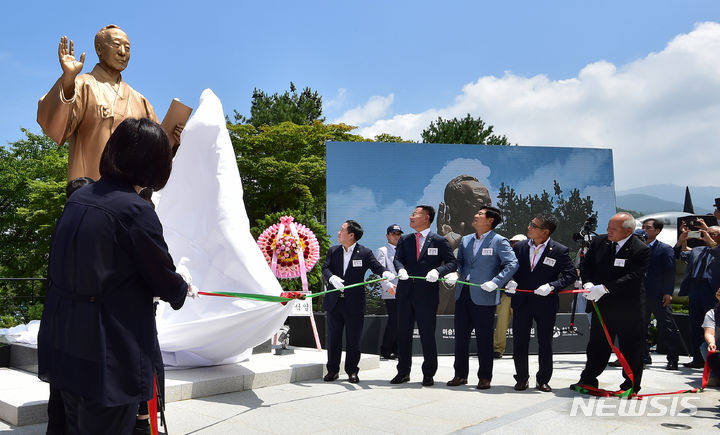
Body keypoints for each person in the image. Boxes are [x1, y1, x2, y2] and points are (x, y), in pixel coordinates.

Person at [37, 118, 196, 434]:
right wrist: (182, 287)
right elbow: (162, 276)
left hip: (65, 339)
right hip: (106, 349)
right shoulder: (134, 210)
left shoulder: (80, 199)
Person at [37, 25, 182, 185]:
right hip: (90, 193)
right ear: (99, 49)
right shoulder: (83, 85)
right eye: (116, 45)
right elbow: (54, 125)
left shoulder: (140, 100)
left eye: (127, 48)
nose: (123, 52)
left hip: (131, 197)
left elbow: (155, 151)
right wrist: (68, 79)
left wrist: (173, 140)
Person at [571, 213, 650, 393]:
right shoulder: (600, 242)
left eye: (613, 229)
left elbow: (634, 277)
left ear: (628, 231)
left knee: (631, 347)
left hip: (628, 307)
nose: (608, 231)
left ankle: (631, 385)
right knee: (597, 345)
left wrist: (605, 288)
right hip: (602, 305)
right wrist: (588, 283)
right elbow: (586, 265)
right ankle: (588, 379)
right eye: (608, 227)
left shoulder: (640, 249)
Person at [443, 206, 518, 389]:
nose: (475, 216)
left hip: (485, 295)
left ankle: (485, 377)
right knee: (461, 337)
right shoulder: (467, 239)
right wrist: (456, 274)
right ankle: (460, 375)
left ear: (490, 220)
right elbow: (460, 262)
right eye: (476, 213)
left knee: (484, 339)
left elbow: (512, 263)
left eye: (480, 214)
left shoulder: (499, 241)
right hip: (463, 294)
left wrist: (496, 282)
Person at [505, 214, 577, 392]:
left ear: (545, 231)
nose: (529, 227)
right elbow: (508, 267)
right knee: (519, 342)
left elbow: (571, 275)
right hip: (522, 302)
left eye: (533, 225)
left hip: (545, 303)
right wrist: (510, 281)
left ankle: (543, 379)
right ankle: (521, 378)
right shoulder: (520, 247)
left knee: (545, 342)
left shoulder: (559, 250)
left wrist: (552, 286)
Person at [391, 205, 457, 386]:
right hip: (405, 293)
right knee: (403, 333)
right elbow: (397, 259)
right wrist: (401, 269)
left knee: (427, 334)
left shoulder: (439, 240)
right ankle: (403, 371)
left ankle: (428, 373)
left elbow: (452, 263)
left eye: (415, 214)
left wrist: (438, 271)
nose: (411, 217)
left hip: (427, 295)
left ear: (426, 217)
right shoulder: (405, 240)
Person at [321, 220, 394, 383]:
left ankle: (352, 371)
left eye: (342, 230)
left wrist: (386, 274)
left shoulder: (365, 253)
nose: (339, 233)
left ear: (351, 235)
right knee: (333, 338)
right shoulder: (333, 251)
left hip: (354, 304)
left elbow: (377, 268)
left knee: (353, 339)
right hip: (334, 303)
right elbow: (325, 268)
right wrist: (331, 278)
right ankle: (332, 370)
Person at [640, 218, 684, 370]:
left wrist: (668, 292)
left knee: (667, 327)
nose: (645, 229)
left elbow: (670, 272)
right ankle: (644, 356)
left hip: (658, 294)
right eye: (643, 227)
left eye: (648, 227)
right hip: (640, 295)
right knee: (641, 327)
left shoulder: (664, 249)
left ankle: (673, 358)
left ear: (657, 231)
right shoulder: (636, 248)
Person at [675, 220, 720, 368]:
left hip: (711, 290)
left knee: (712, 325)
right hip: (695, 288)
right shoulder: (698, 250)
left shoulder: (717, 251)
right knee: (695, 324)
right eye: (706, 233)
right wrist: (683, 239)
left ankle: (712, 359)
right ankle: (697, 358)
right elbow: (682, 254)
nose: (707, 236)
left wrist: (710, 239)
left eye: (713, 234)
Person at [494, 234, 527, 358]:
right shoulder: (505, 257)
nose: (514, 245)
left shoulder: (529, 258)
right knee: (501, 322)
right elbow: (501, 271)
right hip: (507, 295)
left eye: (517, 242)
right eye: (512, 242)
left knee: (521, 324)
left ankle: (519, 350)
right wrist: (509, 281)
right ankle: (498, 349)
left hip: (522, 296)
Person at [375, 224, 403, 360]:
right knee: (394, 320)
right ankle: (386, 350)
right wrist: (387, 286)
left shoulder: (404, 250)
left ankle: (398, 349)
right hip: (392, 290)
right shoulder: (382, 251)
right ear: (387, 236)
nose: (396, 236)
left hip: (405, 290)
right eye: (393, 234)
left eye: (398, 234)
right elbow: (379, 271)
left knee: (403, 320)